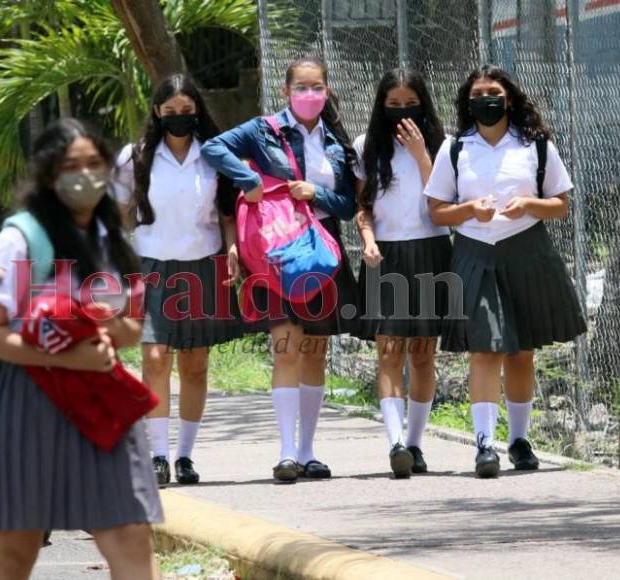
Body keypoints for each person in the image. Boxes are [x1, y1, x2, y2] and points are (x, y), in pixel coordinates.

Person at [0, 118, 162, 579]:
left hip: (102, 399)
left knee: (131, 534)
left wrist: (102, 326)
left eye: (94, 163)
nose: (85, 175)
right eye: (70, 166)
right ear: (48, 175)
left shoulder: (111, 240)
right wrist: (66, 355)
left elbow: (133, 329)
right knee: (18, 546)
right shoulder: (20, 240)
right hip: (27, 401)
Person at [201, 56, 359, 483]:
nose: (310, 95)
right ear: (286, 91)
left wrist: (318, 194)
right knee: (286, 346)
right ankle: (287, 452)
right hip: (277, 252)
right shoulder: (263, 130)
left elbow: (348, 206)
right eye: (301, 87)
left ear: (327, 91)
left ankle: (308, 450)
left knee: (315, 352)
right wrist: (247, 180)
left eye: (317, 87)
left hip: (322, 255)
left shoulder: (336, 142)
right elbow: (213, 148)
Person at [424, 65, 586, 478]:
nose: (486, 100)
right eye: (477, 94)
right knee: (485, 348)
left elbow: (561, 203)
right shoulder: (455, 148)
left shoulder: (536, 145)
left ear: (509, 98)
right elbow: (438, 209)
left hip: (526, 250)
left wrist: (530, 205)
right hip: (475, 251)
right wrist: (469, 210)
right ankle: (484, 446)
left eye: (493, 92)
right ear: (467, 102)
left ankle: (518, 440)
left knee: (521, 351)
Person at [111, 73, 244, 487]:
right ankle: (158, 456)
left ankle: (185, 456)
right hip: (151, 265)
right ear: (157, 113)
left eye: (187, 111)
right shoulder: (135, 157)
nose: (179, 118)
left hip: (202, 265)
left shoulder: (215, 154)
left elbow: (226, 212)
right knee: (155, 358)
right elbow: (118, 210)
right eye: (171, 112)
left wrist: (234, 249)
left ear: (198, 112)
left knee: (196, 364)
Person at [353, 68, 450, 478]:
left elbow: (443, 199)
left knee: (423, 356)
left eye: (410, 104)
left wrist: (421, 155)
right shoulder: (366, 146)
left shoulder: (443, 146)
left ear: (424, 105)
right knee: (388, 352)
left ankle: (415, 443)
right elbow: (363, 206)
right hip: (385, 255)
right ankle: (394, 441)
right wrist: (367, 238)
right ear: (381, 108)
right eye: (393, 105)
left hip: (431, 250)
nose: (402, 112)